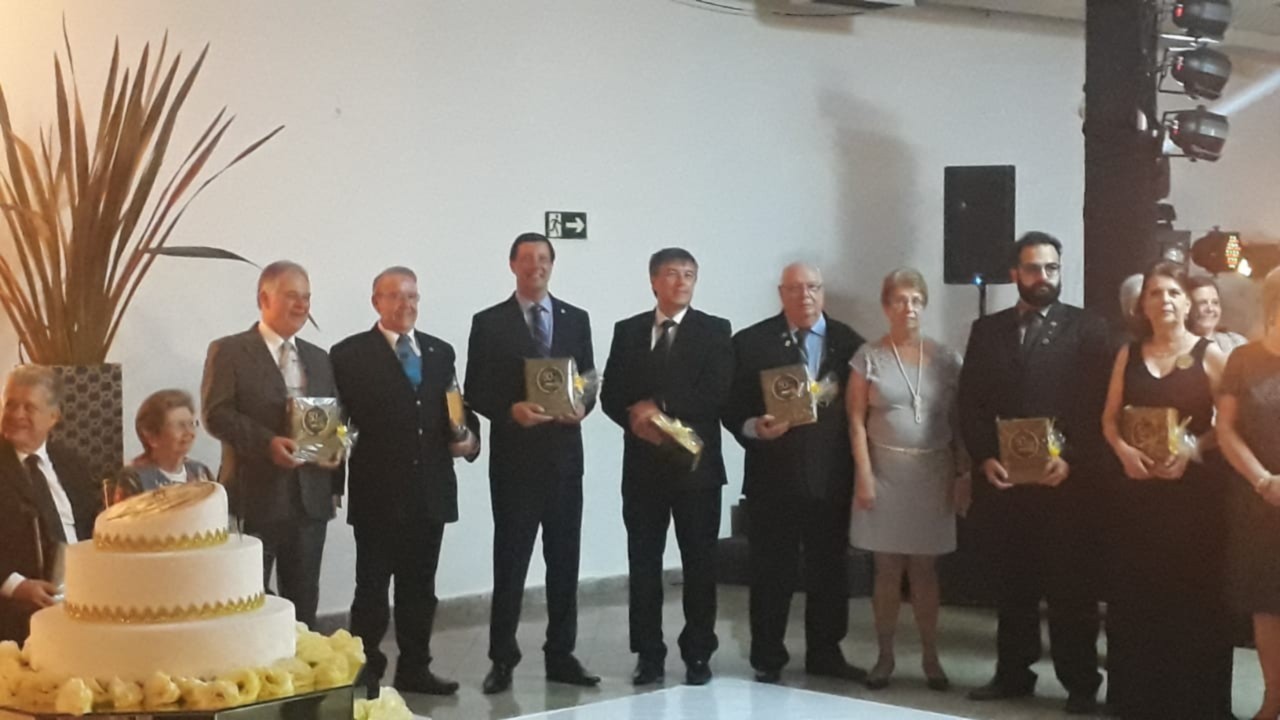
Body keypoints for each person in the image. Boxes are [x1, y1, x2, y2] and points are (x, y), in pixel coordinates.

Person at [958, 232, 1113, 715]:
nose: (1042, 277)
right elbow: (970, 403)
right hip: (1006, 484)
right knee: (1013, 587)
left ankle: (1080, 684)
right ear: (1015, 274)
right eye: (1032, 268)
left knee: (1071, 592)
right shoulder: (987, 330)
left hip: (1065, 484)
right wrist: (984, 457)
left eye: (1051, 268)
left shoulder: (1089, 329)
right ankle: (1012, 674)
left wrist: (1072, 458)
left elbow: (1098, 407)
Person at [331, 267, 481, 697]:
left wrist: (470, 439)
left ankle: (415, 668)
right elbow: (337, 421)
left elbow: (457, 407)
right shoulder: (348, 354)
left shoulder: (439, 351)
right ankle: (365, 670)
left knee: (420, 590)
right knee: (372, 590)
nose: (405, 304)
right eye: (395, 296)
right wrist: (332, 477)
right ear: (376, 302)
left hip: (430, 492)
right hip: (377, 493)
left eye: (412, 296)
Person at [464, 233, 600, 694]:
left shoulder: (576, 318)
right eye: (526, 259)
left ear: (552, 264)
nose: (535, 266)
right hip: (515, 463)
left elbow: (587, 379)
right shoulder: (489, 322)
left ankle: (561, 654)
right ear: (512, 265)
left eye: (543, 258)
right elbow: (475, 388)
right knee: (511, 563)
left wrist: (583, 405)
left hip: (565, 460)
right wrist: (510, 411)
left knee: (565, 562)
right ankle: (502, 659)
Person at [723, 262, 866, 685]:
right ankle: (767, 655)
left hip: (831, 478)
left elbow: (861, 412)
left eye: (813, 287)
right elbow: (731, 405)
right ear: (781, 293)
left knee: (830, 571)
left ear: (823, 292)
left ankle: (826, 653)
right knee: (770, 572)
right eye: (795, 288)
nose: (805, 295)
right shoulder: (750, 342)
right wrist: (754, 427)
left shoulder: (849, 343)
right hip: (773, 477)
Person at [1101, 262, 1232, 719]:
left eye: (1173, 293)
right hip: (1137, 495)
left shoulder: (1210, 354)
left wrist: (1192, 451)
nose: (1165, 301)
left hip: (1192, 497)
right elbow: (1109, 419)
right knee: (1138, 596)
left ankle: (1195, 705)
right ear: (1143, 305)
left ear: (1187, 301)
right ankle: (1137, 702)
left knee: (1191, 598)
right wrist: (1123, 452)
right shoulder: (1128, 353)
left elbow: (1229, 427)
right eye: (1155, 294)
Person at [600, 248, 734, 687]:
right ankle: (648, 654)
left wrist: (658, 410)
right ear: (654, 281)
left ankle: (699, 653)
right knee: (643, 564)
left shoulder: (715, 330)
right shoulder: (628, 330)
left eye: (689, 275)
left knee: (700, 564)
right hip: (642, 468)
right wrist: (635, 420)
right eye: (673, 274)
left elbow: (716, 392)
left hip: (696, 470)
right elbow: (611, 394)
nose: (681, 282)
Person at [201, 260, 344, 629]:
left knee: (304, 604)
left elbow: (337, 417)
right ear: (264, 299)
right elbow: (216, 414)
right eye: (292, 295)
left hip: (310, 501)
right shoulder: (230, 350)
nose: (302, 305)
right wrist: (267, 444)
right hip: (255, 499)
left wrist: (338, 447)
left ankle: (305, 665)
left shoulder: (319, 357)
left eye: (307, 297)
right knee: (249, 603)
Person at [847, 268, 969, 691]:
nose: (909, 308)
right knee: (886, 569)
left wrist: (964, 472)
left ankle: (931, 657)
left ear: (924, 305)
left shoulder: (947, 358)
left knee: (925, 570)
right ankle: (884, 657)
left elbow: (959, 420)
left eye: (916, 300)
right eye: (900, 300)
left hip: (932, 473)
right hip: (884, 474)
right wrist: (864, 475)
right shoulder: (867, 357)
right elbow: (855, 421)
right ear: (886, 306)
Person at [1217, 267, 1280, 720]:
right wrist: (1263, 479)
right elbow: (1226, 428)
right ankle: (1273, 698)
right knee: (1266, 605)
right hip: (1257, 500)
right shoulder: (1243, 359)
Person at [0, 365, 99, 643]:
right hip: (15, 617)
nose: (17, 414)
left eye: (29, 407)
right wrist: (15, 585)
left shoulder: (73, 466)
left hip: (84, 605)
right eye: (11, 405)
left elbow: (93, 528)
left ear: (53, 417)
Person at [106, 389, 214, 503]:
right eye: (180, 425)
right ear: (151, 436)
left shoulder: (200, 471)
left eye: (192, 424)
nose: (189, 432)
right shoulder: (135, 478)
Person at [1188, 275, 1248, 355]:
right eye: (1202, 303)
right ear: (1187, 307)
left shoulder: (1236, 343)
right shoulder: (1178, 346)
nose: (1210, 309)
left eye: (1215, 303)